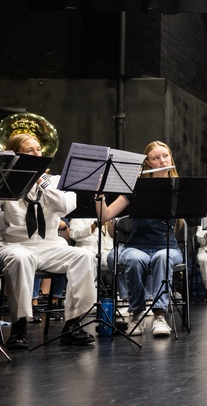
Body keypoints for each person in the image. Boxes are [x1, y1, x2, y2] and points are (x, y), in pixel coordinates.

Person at [0, 132, 96, 348]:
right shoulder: (6, 180)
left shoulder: (56, 181)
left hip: (50, 245)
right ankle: (20, 326)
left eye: (38, 149)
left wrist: (41, 183)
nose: (36, 153)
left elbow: (65, 206)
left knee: (85, 257)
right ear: (17, 155)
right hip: (16, 244)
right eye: (29, 151)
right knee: (20, 258)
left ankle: (73, 324)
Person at [97, 141, 183, 337]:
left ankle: (160, 317)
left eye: (165, 156)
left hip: (167, 247)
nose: (162, 161)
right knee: (134, 260)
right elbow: (105, 215)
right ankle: (136, 314)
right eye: (156, 158)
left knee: (163, 257)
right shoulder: (135, 187)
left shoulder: (177, 187)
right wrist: (99, 193)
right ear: (147, 163)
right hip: (137, 246)